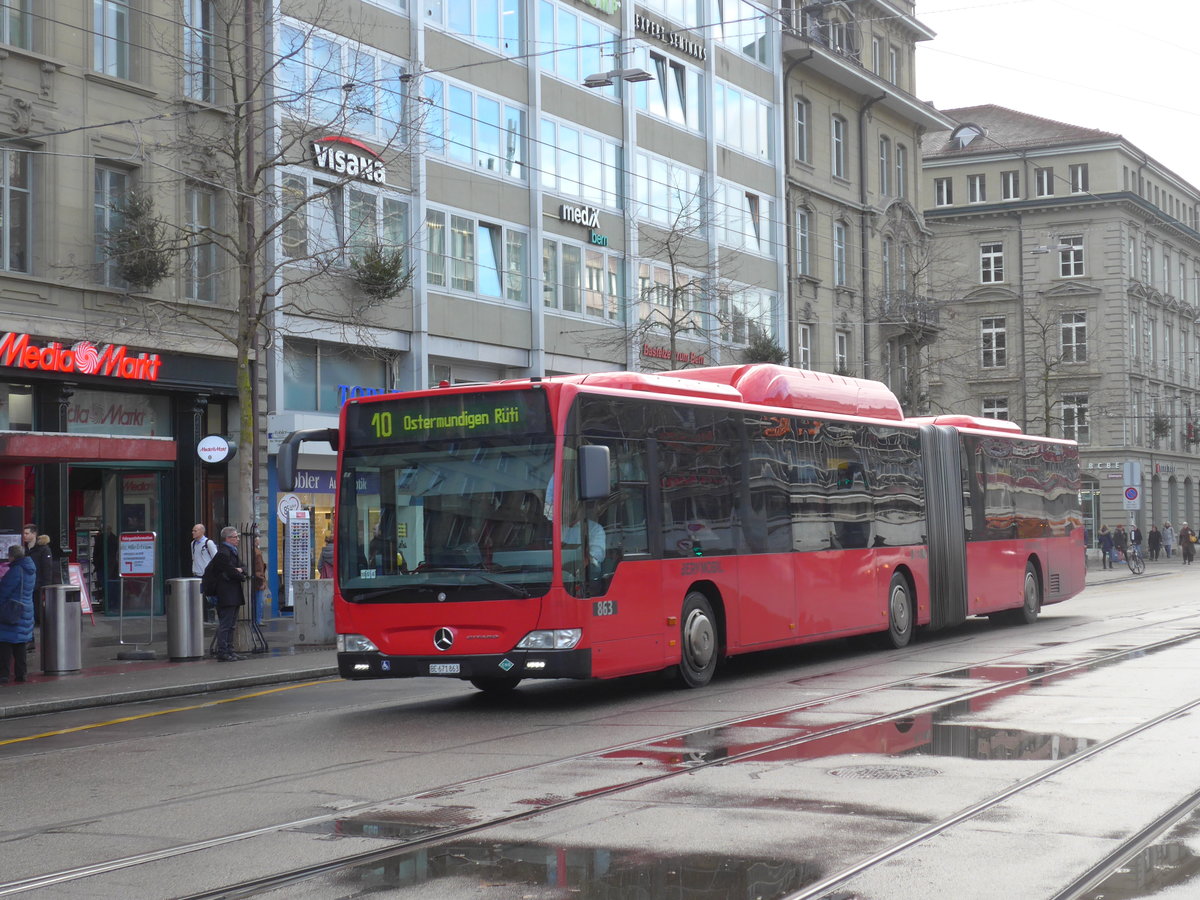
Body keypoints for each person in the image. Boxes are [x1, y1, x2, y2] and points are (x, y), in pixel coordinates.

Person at [210, 526, 249, 661]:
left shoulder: (233, 551)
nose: (238, 539)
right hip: (226, 593)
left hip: (233, 593)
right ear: (228, 538)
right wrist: (239, 572)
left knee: (232, 624)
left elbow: (243, 567)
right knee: (226, 624)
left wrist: (240, 570)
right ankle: (223, 651)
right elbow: (230, 571)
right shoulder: (223, 553)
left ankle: (230, 650)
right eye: (235, 537)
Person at [0, 545, 35, 684]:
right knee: (20, 643)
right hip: (25, 609)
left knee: (5, 643)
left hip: (12, 610)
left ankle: (3, 674)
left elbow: (4, 591)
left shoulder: (15, 570)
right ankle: (21, 674)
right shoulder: (30, 569)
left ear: (12, 556)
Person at [191, 524, 219, 623]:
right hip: (196, 574)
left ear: (202, 531)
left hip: (207, 575)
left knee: (211, 597)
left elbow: (216, 558)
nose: (193, 532)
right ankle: (202, 617)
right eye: (193, 531)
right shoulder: (193, 543)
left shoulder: (208, 543)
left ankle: (217, 612)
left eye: (195, 531)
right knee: (199, 597)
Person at [251, 536, 267, 626]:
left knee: (256, 601)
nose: (259, 542)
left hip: (256, 578)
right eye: (258, 541)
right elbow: (259, 567)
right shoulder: (257, 553)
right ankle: (258, 619)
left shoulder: (255, 551)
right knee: (258, 601)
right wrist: (262, 579)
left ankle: (256, 619)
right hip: (258, 579)